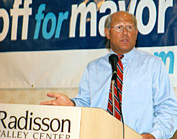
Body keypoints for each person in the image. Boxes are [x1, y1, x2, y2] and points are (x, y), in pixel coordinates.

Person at [41, 11, 177, 139]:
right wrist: (73, 104)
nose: (125, 32)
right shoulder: (93, 68)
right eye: (119, 27)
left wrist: (154, 135)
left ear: (136, 33)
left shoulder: (152, 65)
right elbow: (86, 104)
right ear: (107, 33)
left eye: (130, 27)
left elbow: (168, 107)